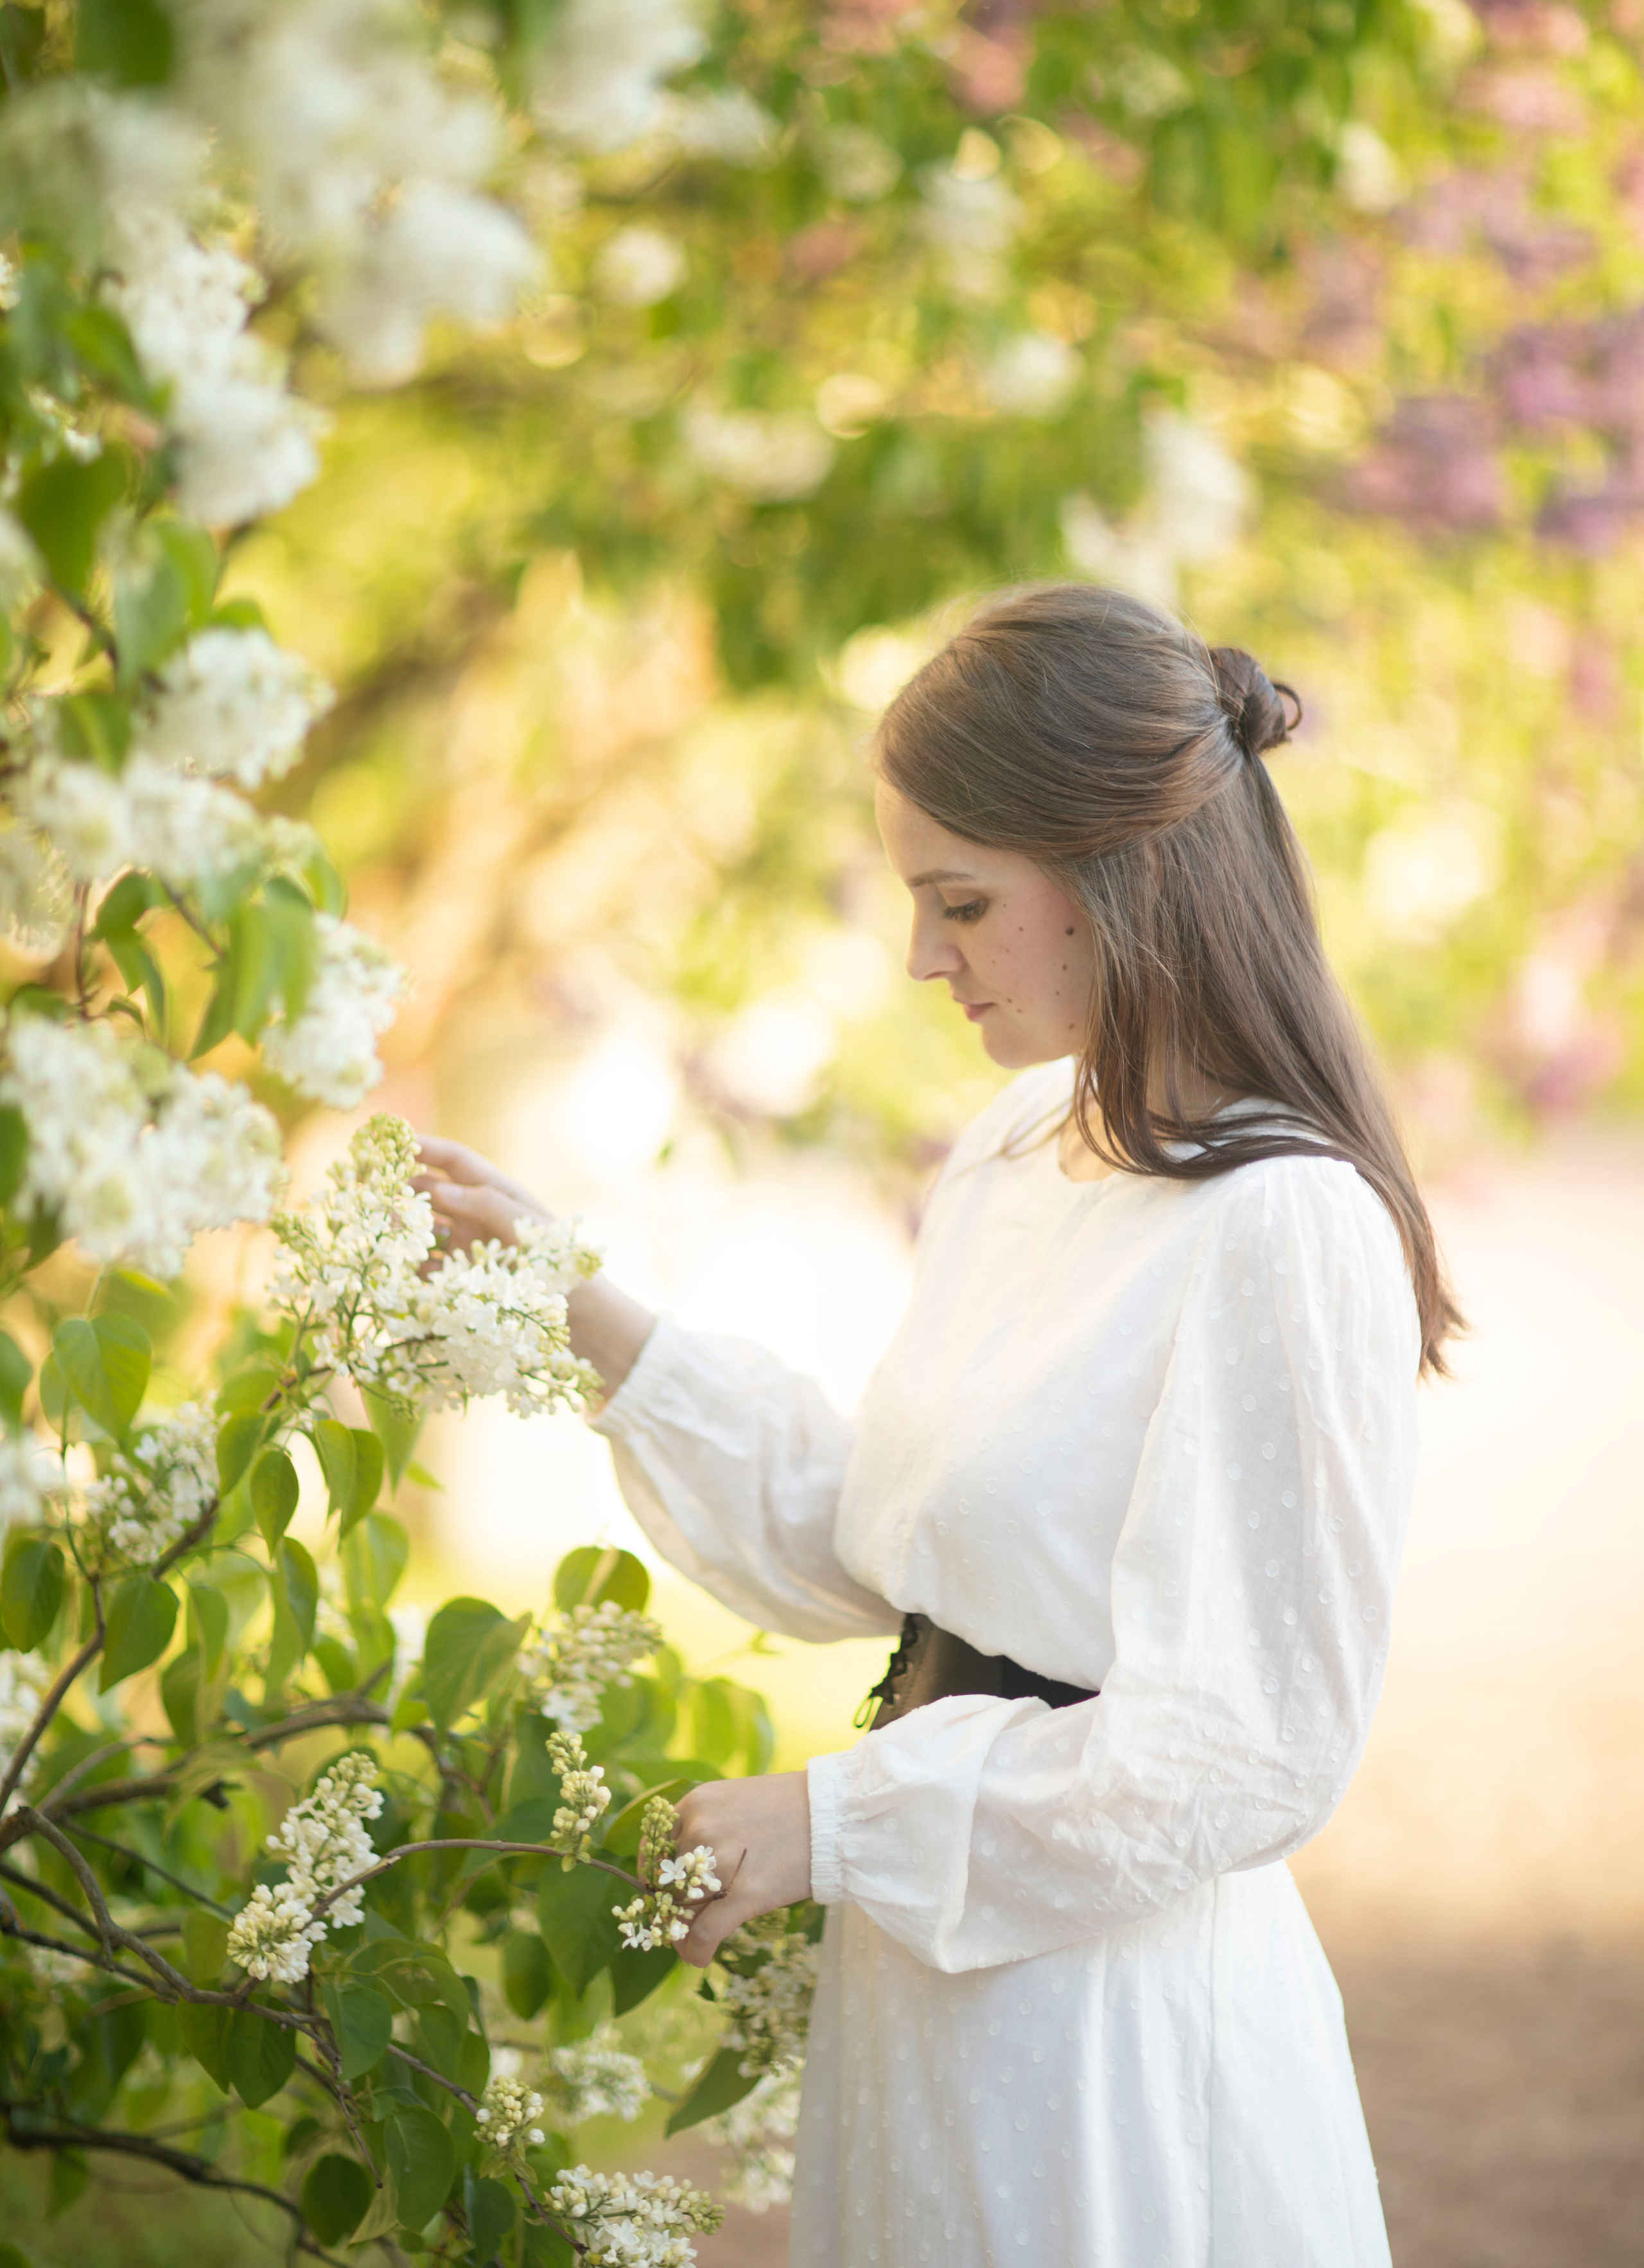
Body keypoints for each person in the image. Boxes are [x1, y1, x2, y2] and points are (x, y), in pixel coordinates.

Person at [417, 583, 1456, 2268]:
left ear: (1123, 871)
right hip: (936, 1992)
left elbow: (1249, 1744)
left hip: (1110, 2032)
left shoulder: (1284, 1223)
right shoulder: (1024, 1145)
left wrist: (837, 1819)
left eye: (960, 901)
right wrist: (578, 1305)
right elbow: (899, 1543)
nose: (921, 958)